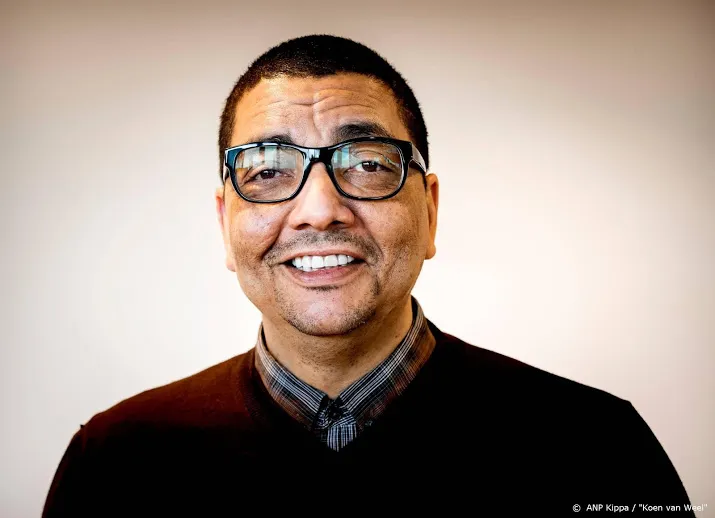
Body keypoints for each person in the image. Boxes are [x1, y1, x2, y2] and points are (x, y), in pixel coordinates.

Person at [43, 35, 694, 516]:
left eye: (368, 164)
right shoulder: (115, 462)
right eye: (268, 170)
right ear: (225, 222)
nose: (319, 209)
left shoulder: (597, 446)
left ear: (429, 211)